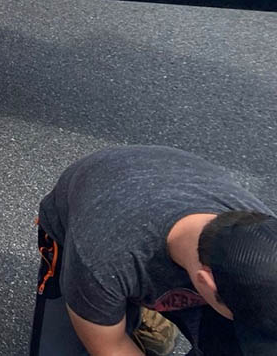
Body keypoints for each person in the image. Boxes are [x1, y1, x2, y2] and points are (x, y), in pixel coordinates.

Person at [32, 145, 277, 356]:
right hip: (99, 197)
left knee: (234, 344)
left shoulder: (263, 234)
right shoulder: (101, 263)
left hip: (166, 185)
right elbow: (111, 347)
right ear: (206, 282)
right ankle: (134, 306)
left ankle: (153, 303)